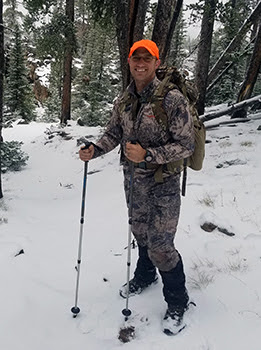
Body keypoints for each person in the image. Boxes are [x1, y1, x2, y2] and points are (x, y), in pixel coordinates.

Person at [79, 39, 194, 335]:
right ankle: (145, 274)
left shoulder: (172, 100)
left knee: (161, 245)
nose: (140, 63)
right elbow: (114, 132)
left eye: (147, 58)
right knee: (140, 231)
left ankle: (177, 301)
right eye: (135, 58)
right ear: (129, 62)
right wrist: (95, 149)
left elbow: (186, 145)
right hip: (133, 181)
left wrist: (149, 155)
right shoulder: (124, 99)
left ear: (156, 63)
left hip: (164, 183)